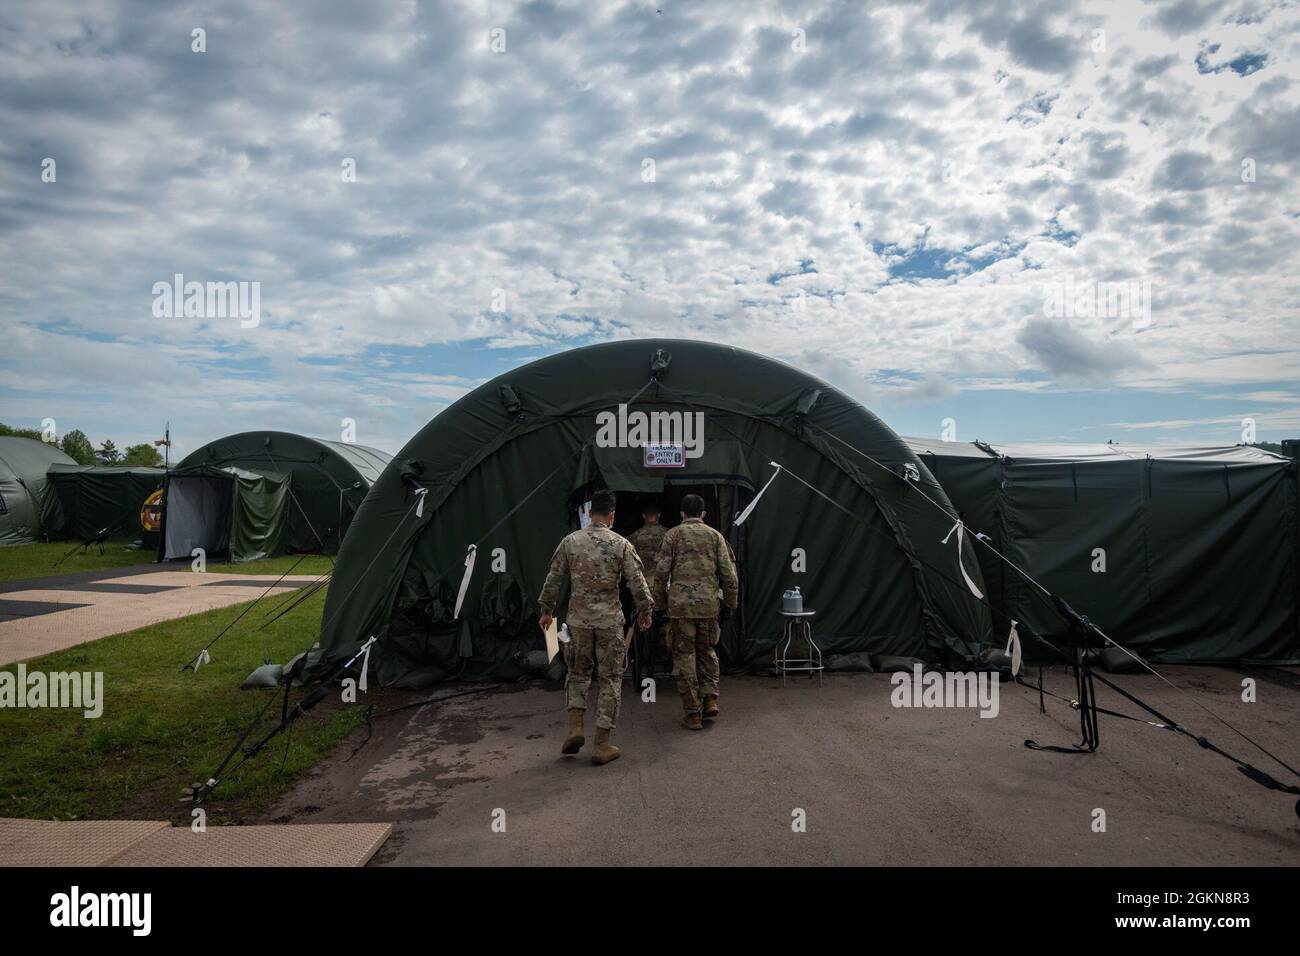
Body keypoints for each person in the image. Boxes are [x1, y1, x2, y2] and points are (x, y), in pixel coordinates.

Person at [539, 489, 652, 765]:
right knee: (610, 679)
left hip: (578, 621)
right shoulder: (621, 544)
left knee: (577, 675)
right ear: (612, 515)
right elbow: (637, 582)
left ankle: (576, 728)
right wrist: (646, 611)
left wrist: (546, 611)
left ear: (590, 513)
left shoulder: (570, 542)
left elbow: (553, 579)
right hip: (609, 623)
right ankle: (601, 744)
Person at [653, 493, 739, 730]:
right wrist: (730, 604)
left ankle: (692, 713)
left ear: (682, 513)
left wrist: (659, 606)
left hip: (680, 607)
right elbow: (729, 575)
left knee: (684, 657)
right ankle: (710, 698)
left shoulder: (672, 535)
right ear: (703, 514)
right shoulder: (715, 536)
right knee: (707, 650)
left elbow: (660, 574)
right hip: (708, 605)